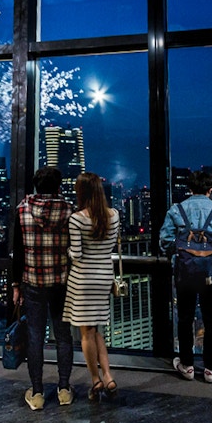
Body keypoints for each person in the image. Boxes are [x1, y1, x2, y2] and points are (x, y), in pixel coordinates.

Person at [9, 166, 76, 411]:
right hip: (61, 282)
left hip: (32, 282)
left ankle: (37, 393)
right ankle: (65, 389)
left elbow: (18, 252)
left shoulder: (22, 210)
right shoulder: (69, 210)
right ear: (59, 187)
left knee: (35, 336)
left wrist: (16, 285)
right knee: (63, 336)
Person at [158, 170, 212, 383]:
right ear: (211, 189)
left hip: (185, 272)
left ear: (189, 189)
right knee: (211, 319)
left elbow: (164, 241)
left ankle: (187, 365)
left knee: (184, 318)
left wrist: (182, 249)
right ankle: (211, 368)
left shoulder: (176, 210)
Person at [62, 171, 120, 401]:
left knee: (86, 333)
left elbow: (75, 253)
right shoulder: (114, 215)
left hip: (83, 280)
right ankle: (109, 376)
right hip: (104, 277)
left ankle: (95, 379)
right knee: (96, 330)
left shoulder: (77, 219)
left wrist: (66, 251)